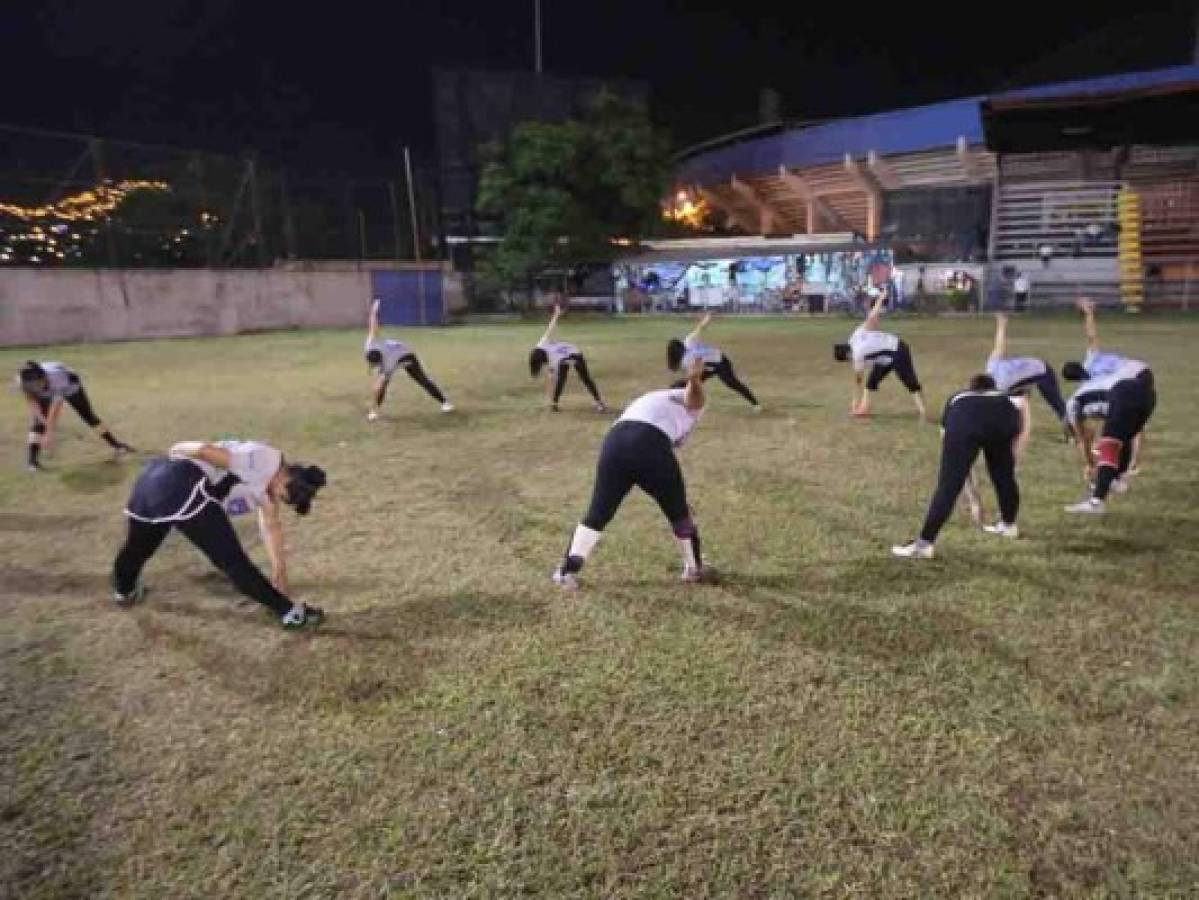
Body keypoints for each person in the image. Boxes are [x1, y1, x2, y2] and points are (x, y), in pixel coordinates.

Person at [112, 440, 327, 629]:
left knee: (138, 548)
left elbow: (271, 524)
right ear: (289, 475)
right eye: (288, 494)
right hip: (181, 480)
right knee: (233, 561)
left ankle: (125, 590)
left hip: (151, 480)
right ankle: (290, 613)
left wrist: (280, 571)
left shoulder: (267, 483)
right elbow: (206, 451)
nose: (283, 499)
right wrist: (176, 448)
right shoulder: (266, 459)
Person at [553, 355, 715, 589]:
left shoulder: (650, 397)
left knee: (599, 511)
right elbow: (694, 399)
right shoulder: (685, 398)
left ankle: (566, 572)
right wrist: (696, 379)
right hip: (649, 443)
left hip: (614, 441)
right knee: (679, 514)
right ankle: (693, 569)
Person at [892, 374, 1030, 559]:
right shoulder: (1003, 397)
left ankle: (924, 545)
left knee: (948, 486)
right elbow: (1020, 425)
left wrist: (974, 499)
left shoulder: (958, 398)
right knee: (1004, 476)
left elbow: (956, 462)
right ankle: (1009, 525)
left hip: (968, 423)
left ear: (971, 387)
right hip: (1004, 420)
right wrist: (1014, 458)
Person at [1062, 296, 1147, 473]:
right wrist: (1089, 313)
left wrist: (1088, 459)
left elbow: (1084, 421)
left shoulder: (1087, 388)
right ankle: (1134, 462)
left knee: (1117, 416)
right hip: (1138, 373)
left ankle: (1126, 461)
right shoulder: (1091, 360)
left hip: (1125, 384)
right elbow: (1091, 336)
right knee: (1134, 422)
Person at [1061, 356, 1155, 516]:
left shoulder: (1073, 403)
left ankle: (1096, 502)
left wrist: (1091, 466)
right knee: (1122, 437)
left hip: (1123, 392)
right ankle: (1117, 479)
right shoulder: (1097, 380)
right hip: (1148, 395)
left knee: (1109, 445)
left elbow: (1083, 440)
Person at [15, 360, 134, 471]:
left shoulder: (57, 377)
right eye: (32, 386)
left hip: (71, 387)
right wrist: (44, 424)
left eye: (37, 384)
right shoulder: (22, 381)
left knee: (88, 415)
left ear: (44, 377)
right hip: (51, 388)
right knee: (37, 423)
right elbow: (32, 403)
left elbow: (55, 408)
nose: (35, 388)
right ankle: (32, 462)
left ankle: (117, 445)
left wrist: (49, 433)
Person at [834, 293, 926, 420]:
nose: (850, 361)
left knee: (909, 381)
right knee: (871, 382)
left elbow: (857, 382)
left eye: (847, 360)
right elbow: (872, 317)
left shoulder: (857, 354)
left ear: (847, 355)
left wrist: (854, 402)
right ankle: (863, 409)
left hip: (898, 350)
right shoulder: (854, 336)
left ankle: (923, 412)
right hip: (885, 358)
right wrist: (880, 299)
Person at [364, 299, 454, 420]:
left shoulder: (388, 362)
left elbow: (380, 384)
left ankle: (446, 403)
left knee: (421, 379)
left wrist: (373, 408)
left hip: (405, 355)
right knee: (382, 383)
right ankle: (375, 411)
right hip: (394, 351)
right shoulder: (370, 344)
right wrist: (373, 312)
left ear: (381, 361)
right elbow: (373, 325)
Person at [986, 312, 1069, 431]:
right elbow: (999, 345)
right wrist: (1002, 324)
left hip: (1042, 371)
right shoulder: (991, 365)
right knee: (1016, 405)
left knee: (1056, 403)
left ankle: (1072, 430)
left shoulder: (1001, 385)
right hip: (1025, 372)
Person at [666, 313, 761, 410]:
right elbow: (700, 328)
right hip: (709, 364)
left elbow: (691, 374)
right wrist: (707, 319)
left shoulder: (685, 359)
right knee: (688, 384)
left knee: (732, 383)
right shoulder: (688, 340)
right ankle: (673, 398)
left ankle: (755, 403)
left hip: (720, 363)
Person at [528, 304, 607, 412]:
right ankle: (554, 404)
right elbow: (552, 378)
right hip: (564, 356)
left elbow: (551, 327)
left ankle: (599, 402)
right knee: (561, 379)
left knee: (585, 378)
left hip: (575, 354)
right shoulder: (541, 346)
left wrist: (556, 314)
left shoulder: (548, 353)